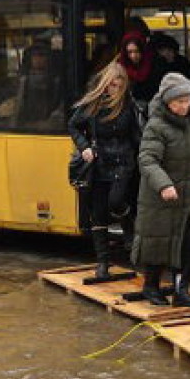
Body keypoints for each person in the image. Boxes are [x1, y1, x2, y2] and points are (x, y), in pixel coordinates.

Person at [133, 72, 190, 308]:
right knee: (158, 243)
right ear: (168, 101)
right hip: (161, 197)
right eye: (179, 101)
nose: (185, 106)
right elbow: (147, 159)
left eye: (187, 100)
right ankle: (151, 287)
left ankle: (182, 290)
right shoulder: (156, 126)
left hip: (189, 195)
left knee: (188, 244)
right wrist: (164, 184)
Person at [69, 62, 142, 279]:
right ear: (104, 84)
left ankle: (129, 228)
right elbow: (73, 125)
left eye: (119, 86)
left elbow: (136, 135)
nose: (114, 90)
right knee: (98, 213)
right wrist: (84, 148)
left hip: (123, 161)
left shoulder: (129, 105)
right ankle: (103, 261)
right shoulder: (93, 104)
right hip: (99, 163)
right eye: (111, 85)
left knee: (116, 201)